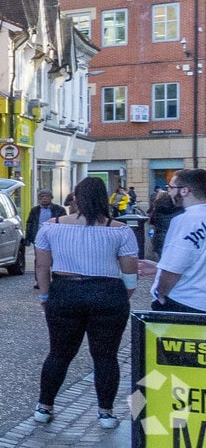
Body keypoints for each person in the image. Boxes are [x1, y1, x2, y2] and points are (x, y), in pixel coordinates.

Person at [32, 175, 138, 431]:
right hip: (107, 292)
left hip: (65, 291)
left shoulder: (51, 226)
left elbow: (42, 266)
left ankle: (44, 407)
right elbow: (130, 272)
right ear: (104, 199)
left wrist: (45, 295)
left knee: (59, 353)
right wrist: (123, 295)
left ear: (75, 198)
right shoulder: (120, 229)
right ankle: (106, 413)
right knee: (105, 356)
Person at [152, 169, 206, 314]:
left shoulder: (187, 220)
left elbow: (175, 266)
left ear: (184, 191)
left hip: (186, 302)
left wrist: (161, 295)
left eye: (171, 187)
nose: (168, 192)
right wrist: (157, 267)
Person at [151, 182, 180, 260]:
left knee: (162, 260)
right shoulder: (180, 209)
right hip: (175, 239)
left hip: (160, 238)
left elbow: (152, 221)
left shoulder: (158, 208)